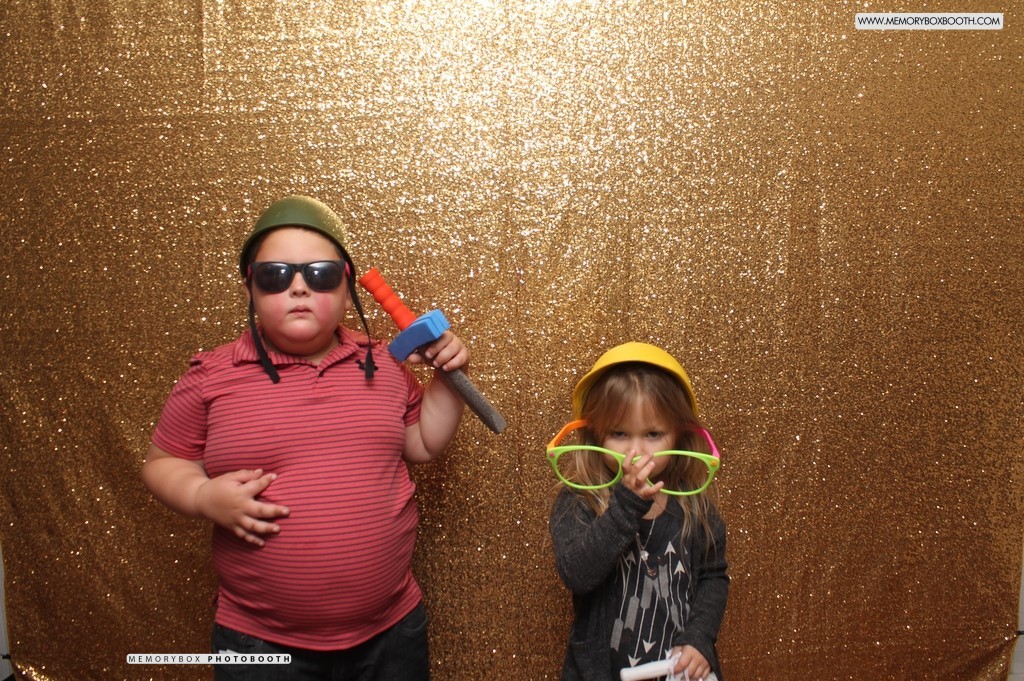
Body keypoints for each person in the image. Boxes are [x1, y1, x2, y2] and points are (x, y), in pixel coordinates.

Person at [141, 195, 468, 680]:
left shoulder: (382, 364)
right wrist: (201, 495)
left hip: (391, 630)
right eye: (275, 276)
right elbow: (162, 462)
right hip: (258, 640)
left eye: (320, 275)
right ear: (250, 287)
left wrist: (446, 377)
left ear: (347, 289)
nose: (298, 287)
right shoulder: (212, 375)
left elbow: (423, 443)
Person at [547, 342, 728, 681]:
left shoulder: (693, 504)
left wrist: (699, 639)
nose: (636, 451)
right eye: (619, 433)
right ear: (594, 434)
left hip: (679, 673)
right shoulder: (579, 501)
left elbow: (713, 577)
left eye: (653, 434)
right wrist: (627, 504)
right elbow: (577, 574)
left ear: (679, 436)